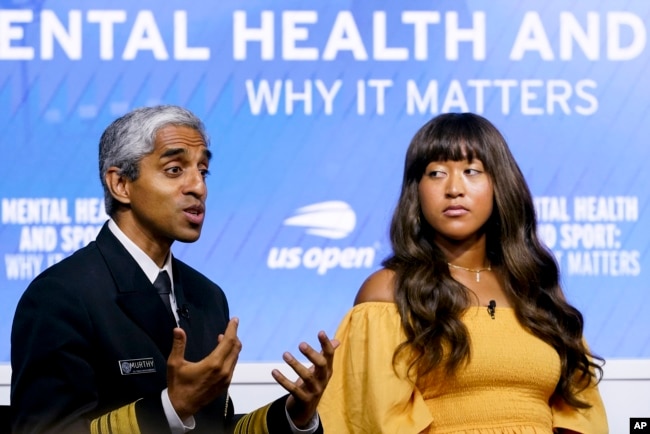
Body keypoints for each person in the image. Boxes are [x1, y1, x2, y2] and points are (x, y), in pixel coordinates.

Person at [10, 105, 337, 434]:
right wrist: (171, 408)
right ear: (121, 184)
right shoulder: (61, 296)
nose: (198, 187)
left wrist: (295, 414)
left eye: (203, 171)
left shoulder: (206, 296)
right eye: (175, 169)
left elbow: (215, 427)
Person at [318, 112, 608, 433]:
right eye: (437, 173)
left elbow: (582, 415)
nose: (454, 188)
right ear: (417, 189)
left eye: (472, 171)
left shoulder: (536, 290)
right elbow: (377, 421)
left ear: (499, 183)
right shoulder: (387, 292)